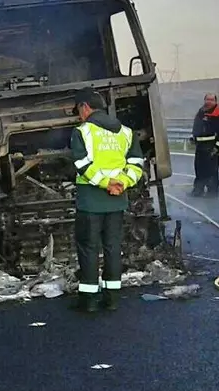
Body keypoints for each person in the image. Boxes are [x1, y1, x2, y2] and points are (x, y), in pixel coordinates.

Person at [69, 88, 146, 313]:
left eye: (79, 111)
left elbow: (82, 165)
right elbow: (136, 164)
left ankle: (89, 301)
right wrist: (121, 182)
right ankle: (112, 298)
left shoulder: (82, 132)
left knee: (89, 248)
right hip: (117, 200)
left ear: (85, 107)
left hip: (90, 201)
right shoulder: (126, 132)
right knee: (113, 247)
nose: (79, 116)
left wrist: (105, 183)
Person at [190, 93, 219, 197]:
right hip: (200, 147)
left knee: (212, 172)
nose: (209, 102)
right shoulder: (201, 112)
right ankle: (198, 190)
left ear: (215, 102)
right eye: (207, 99)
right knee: (199, 169)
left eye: (211, 100)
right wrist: (193, 137)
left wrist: (217, 148)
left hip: (211, 147)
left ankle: (212, 192)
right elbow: (196, 126)